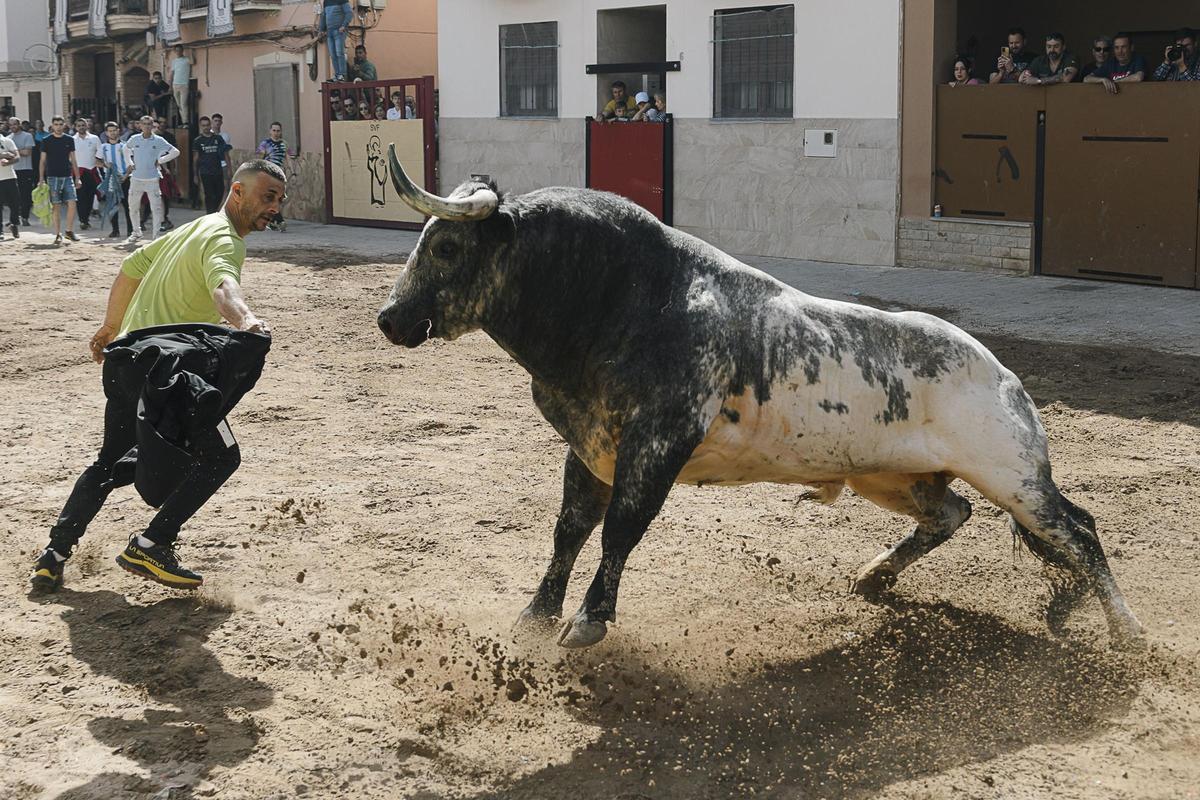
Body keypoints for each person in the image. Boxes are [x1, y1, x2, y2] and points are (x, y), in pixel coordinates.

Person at [29, 159, 286, 594]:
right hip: (165, 373)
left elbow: (131, 266)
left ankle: (52, 557)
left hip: (125, 360)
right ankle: (152, 543)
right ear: (237, 193)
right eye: (267, 197)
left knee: (110, 461)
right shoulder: (224, 238)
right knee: (221, 457)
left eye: (279, 200)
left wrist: (111, 326)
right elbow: (224, 288)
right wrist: (249, 322)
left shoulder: (192, 229)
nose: (275, 208)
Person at [124, 115, 179, 243]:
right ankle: (136, 232)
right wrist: (130, 163)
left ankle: (156, 235)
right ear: (140, 125)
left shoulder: (159, 140)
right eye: (144, 124)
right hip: (136, 178)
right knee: (133, 207)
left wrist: (160, 160)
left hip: (152, 179)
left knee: (156, 208)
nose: (147, 126)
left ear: (153, 125)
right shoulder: (134, 139)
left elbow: (175, 152)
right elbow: (125, 149)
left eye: (149, 124)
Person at [38, 116, 81, 246]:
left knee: (72, 203)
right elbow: (42, 161)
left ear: (64, 125)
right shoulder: (46, 140)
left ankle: (68, 230)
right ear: (52, 125)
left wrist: (78, 177)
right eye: (56, 124)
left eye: (60, 124)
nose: (58, 126)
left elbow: (73, 160)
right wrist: (41, 178)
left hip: (67, 176)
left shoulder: (69, 139)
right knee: (56, 206)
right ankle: (57, 234)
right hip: (52, 176)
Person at [255, 121, 295, 231]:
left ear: (281, 131)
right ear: (270, 131)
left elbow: (288, 158)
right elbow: (260, 159)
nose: (276, 133)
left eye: (278, 131)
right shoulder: (265, 144)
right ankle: (280, 220)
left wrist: (293, 171)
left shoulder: (284, 144)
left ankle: (272, 221)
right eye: (274, 130)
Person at [98, 121, 133, 240]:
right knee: (112, 206)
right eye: (110, 131)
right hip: (111, 179)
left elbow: (131, 163)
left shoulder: (125, 146)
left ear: (119, 131)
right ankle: (115, 230)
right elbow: (97, 161)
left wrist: (126, 175)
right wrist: (105, 165)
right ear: (106, 133)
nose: (113, 133)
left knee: (128, 205)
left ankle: (131, 230)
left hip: (125, 179)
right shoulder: (103, 147)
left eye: (115, 130)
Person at [192, 116, 228, 214]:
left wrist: (228, 168)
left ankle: (215, 210)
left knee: (220, 193)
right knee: (209, 195)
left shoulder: (218, 138)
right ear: (200, 126)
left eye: (207, 125)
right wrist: (195, 174)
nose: (206, 127)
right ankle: (210, 213)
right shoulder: (198, 141)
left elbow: (225, 153)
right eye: (203, 126)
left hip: (218, 170)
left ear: (210, 125)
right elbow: (196, 158)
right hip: (205, 172)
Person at [72, 117, 103, 229]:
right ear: (75, 127)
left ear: (87, 126)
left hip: (92, 170)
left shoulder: (94, 138)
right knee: (80, 197)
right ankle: (82, 220)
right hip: (78, 172)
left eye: (83, 125)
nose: (81, 127)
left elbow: (100, 152)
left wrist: (99, 161)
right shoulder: (72, 139)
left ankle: (86, 218)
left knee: (90, 196)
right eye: (79, 125)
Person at [7, 117, 34, 227]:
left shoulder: (27, 136)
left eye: (15, 124)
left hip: (25, 169)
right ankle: (14, 219)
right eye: (11, 125)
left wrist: (13, 152)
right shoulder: (7, 138)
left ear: (19, 125)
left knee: (25, 195)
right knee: (12, 196)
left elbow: (27, 152)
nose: (13, 126)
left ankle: (25, 217)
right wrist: (18, 152)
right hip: (12, 169)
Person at [155, 117, 179, 231]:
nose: (163, 125)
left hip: (164, 170)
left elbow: (170, 154)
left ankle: (164, 219)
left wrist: (172, 169)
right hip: (149, 171)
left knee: (165, 195)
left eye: (165, 122)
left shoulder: (168, 137)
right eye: (161, 123)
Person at [323, 0, 354, 81]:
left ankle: (342, 75)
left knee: (339, 53)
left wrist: (344, 25)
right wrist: (321, 29)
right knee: (332, 55)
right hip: (329, 32)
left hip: (339, 31)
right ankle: (337, 75)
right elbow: (323, 15)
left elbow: (349, 13)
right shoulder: (326, 1)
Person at [0, 129, 19, 240]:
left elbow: (17, 157)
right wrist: (3, 155)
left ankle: (14, 224)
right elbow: (6, 154)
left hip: (10, 176)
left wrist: (8, 161)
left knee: (15, 203)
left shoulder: (7, 141)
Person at [170, 46, 193, 124]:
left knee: (183, 104)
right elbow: (172, 73)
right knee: (179, 104)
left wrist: (191, 52)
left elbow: (193, 62)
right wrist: (170, 84)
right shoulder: (174, 61)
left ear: (182, 51)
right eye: (176, 51)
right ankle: (183, 121)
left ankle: (185, 122)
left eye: (179, 50)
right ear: (175, 51)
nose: (178, 52)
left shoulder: (186, 59)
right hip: (175, 84)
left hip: (184, 84)